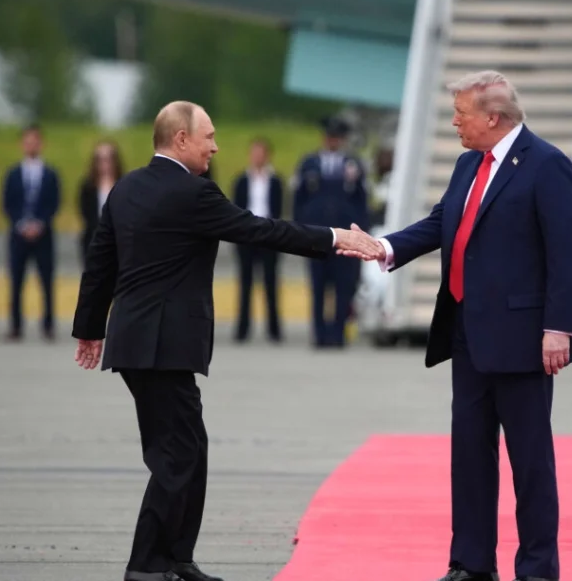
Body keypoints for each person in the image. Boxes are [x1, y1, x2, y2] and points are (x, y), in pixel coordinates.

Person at [71, 101, 382, 581]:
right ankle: (147, 567)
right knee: (176, 456)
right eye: (208, 136)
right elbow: (260, 228)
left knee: (188, 448)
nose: (215, 145)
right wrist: (335, 237)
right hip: (164, 344)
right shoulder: (193, 193)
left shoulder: (127, 188)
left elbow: (100, 263)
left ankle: (177, 559)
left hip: (137, 343)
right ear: (180, 139)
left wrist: (90, 328)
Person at [340, 71, 572, 581]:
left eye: (461, 113)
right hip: (468, 335)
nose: (454, 121)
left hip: (523, 341)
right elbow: (441, 222)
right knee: (470, 458)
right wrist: (384, 246)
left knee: (530, 464)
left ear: (492, 117)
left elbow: (566, 252)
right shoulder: (468, 164)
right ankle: (471, 565)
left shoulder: (547, 166)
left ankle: (537, 569)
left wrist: (560, 327)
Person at [292, 116, 371, 348]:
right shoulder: (309, 163)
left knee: (343, 286)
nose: (333, 141)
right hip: (317, 234)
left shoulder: (353, 165)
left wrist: (361, 233)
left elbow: (362, 201)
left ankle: (338, 333)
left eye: (337, 137)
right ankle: (319, 334)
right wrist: (300, 229)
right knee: (317, 285)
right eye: (330, 136)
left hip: (345, 236)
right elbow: (299, 199)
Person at [1, 123, 61, 342]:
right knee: (16, 281)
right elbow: (7, 204)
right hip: (19, 236)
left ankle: (48, 326)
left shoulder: (50, 174)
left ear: (41, 143)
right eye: (28, 141)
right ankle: (16, 326)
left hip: (43, 236)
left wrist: (40, 224)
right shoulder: (13, 174)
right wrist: (21, 224)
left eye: (35, 140)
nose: (32, 144)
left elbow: (55, 203)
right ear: (22, 144)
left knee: (46, 282)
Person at [231, 138, 285, 342]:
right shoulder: (242, 180)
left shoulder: (275, 180)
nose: (258, 157)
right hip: (247, 235)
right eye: (255, 152)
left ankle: (274, 329)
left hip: (268, 235)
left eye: (261, 153)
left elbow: (279, 208)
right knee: (245, 284)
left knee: (271, 283)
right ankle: (242, 329)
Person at [78, 140, 125, 263]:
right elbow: (85, 213)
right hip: (93, 241)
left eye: (108, 159)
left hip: (119, 242)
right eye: (100, 159)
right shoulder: (88, 187)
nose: (105, 164)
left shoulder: (124, 185)